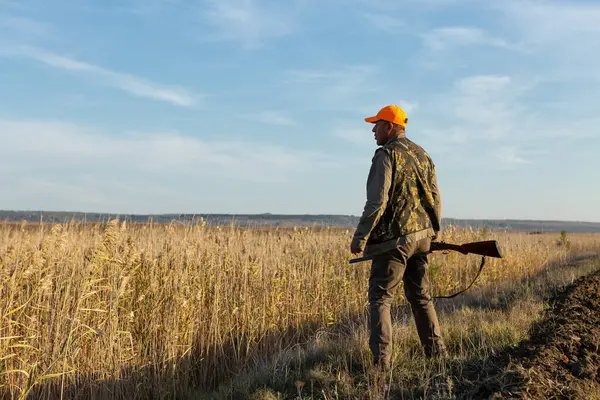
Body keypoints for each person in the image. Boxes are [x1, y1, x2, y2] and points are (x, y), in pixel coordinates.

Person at [350, 104, 447, 370]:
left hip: (396, 241)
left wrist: (360, 239)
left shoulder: (386, 154)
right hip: (423, 237)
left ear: (389, 127)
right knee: (420, 297)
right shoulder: (422, 154)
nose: (373, 129)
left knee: (380, 299)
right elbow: (436, 198)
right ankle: (437, 357)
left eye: (377, 124)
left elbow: (377, 203)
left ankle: (381, 368)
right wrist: (433, 232)